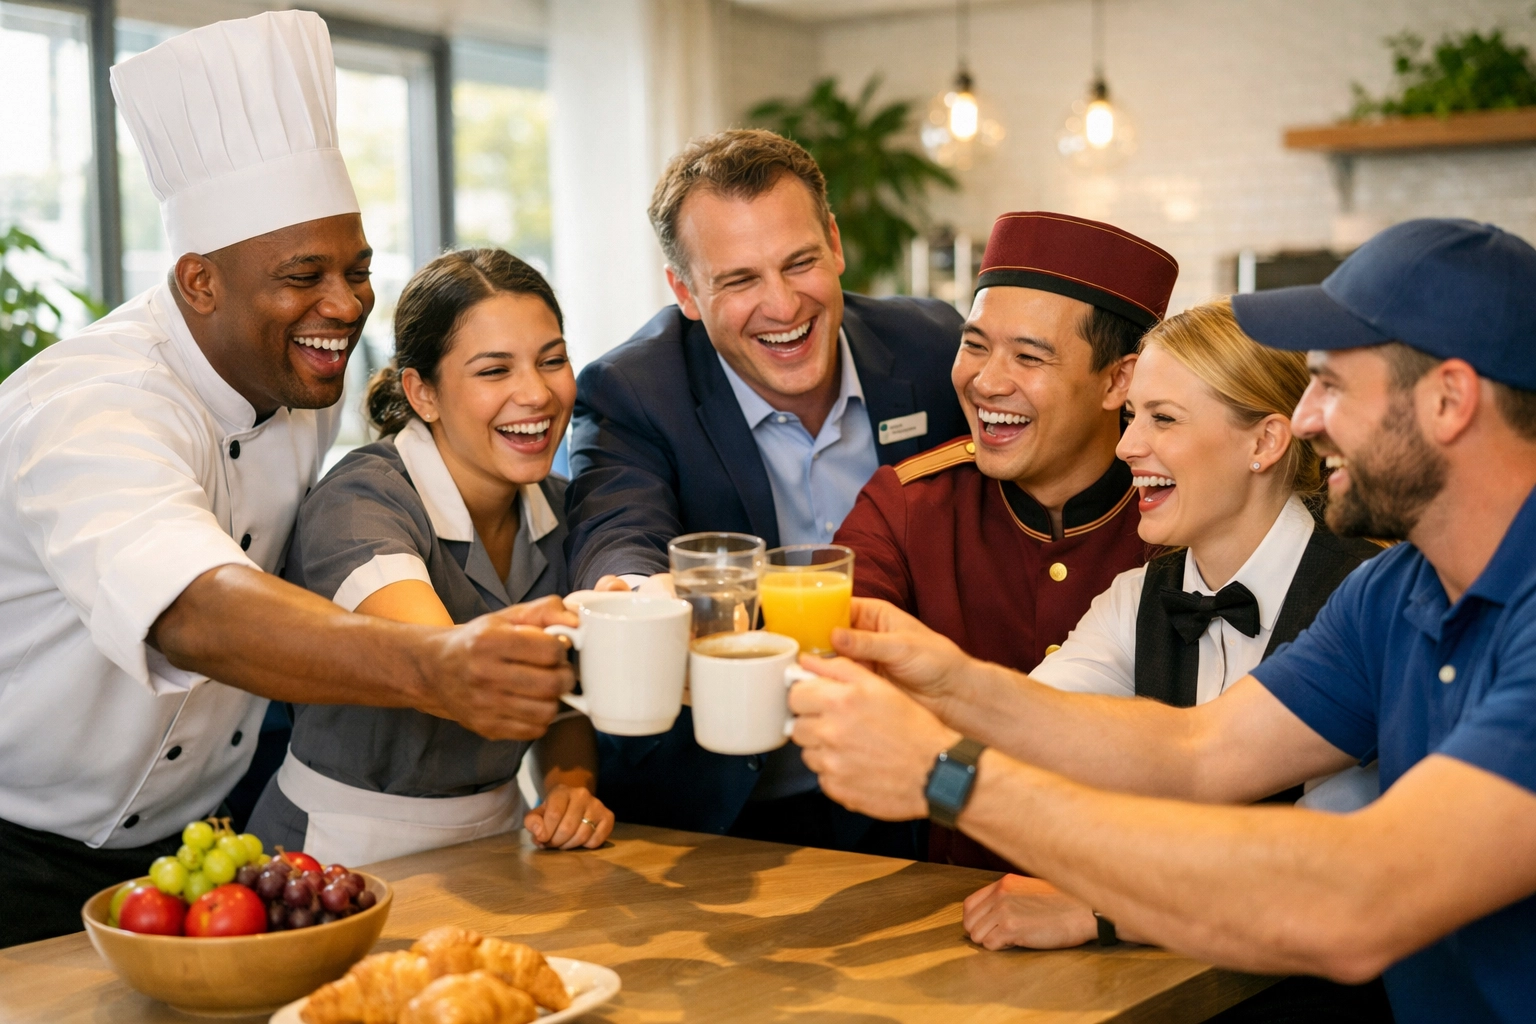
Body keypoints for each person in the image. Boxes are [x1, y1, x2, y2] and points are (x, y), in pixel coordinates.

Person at [786, 218, 1536, 1023]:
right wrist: (953, 684)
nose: (1308, 420)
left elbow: (1357, 900)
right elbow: (1197, 752)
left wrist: (947, 775)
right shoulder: (1392, 591)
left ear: (1449, 400)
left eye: (1333, 387)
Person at [0, 13, 574, 948]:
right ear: (199, 281)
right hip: (19, 844)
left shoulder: (299, 388)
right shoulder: (91, 405)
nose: (345, 306)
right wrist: (433, 664)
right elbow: (191, 607)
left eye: (358, 270)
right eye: (303, 275)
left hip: (200, 843)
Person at [963, 298, 1391, 1020]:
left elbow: (1325, 872)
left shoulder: (1367, 599)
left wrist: (1104, 909)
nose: (1126, 446)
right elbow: (1029, 731)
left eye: (1163, 419)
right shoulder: (1138, 597)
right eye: (1132, 416)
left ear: (1265, 441)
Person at [564, 129, 968, 856]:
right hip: (714, 806)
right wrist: (641, 596)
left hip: (909, 785)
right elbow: (618, 526)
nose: (782, 306)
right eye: (739, 280)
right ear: (686, 292)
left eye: (800, 262)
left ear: (835, 245)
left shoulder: (934, 349)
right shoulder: (633, 389)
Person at [247, 250, 621, 865]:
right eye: (494, 370)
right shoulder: (361, 500)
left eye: (552, 361)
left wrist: (568, 787)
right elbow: (442, 665)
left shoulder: (562, 507)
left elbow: (559, 697)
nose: (536, 393)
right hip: (339, 847)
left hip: (502, 836)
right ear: (423, 393)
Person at [834, 210, 1177, 868]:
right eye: (974, 345)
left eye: (1028, 356)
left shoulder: (1184, 518)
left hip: (1150, 899)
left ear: (1119, 380)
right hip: (951, 902)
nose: (987, 381)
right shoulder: (909, 503)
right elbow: (835, 642)